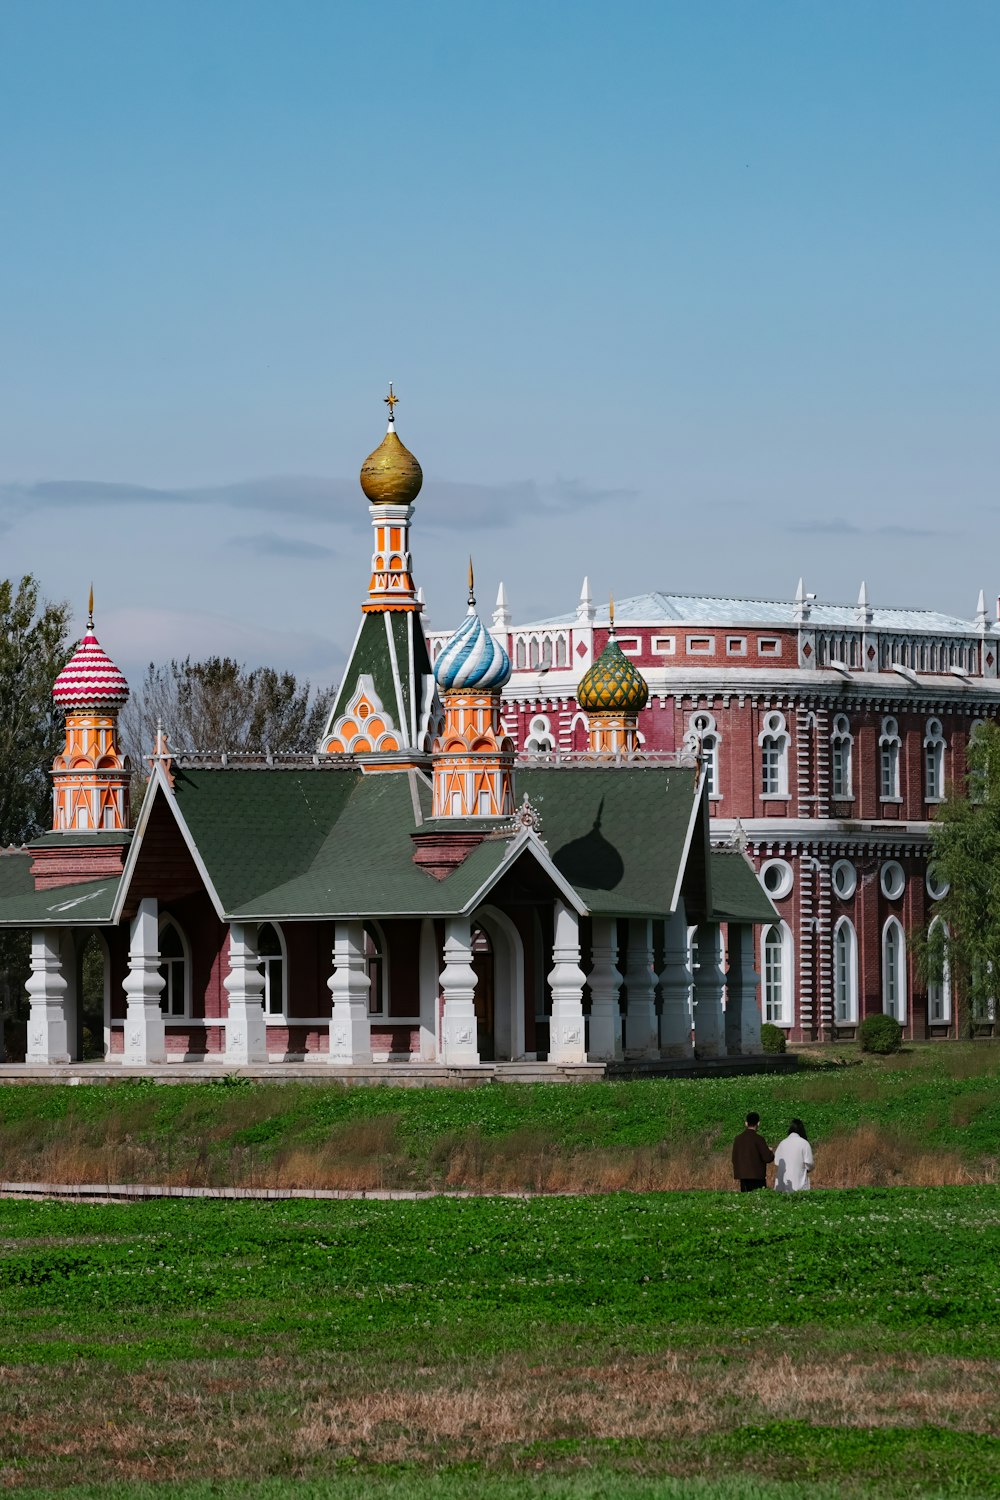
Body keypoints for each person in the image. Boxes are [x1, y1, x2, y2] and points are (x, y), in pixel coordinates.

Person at [731, 1111, 774, 1192]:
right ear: (758, 1123)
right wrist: (770, 1151)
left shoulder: (738, 1139)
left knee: (746, 1200)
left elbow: (734, 1158)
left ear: (746, 1123)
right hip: (757, 1176)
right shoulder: (759, 1139)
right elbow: (767, 1158)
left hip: (743, 1175)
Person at [773, 1119, 814, 1192]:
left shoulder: (782, 1143)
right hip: (799, 1184)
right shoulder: (804, 1143)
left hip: (782, 1185)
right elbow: (810, 1163)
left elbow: (776, 1162)